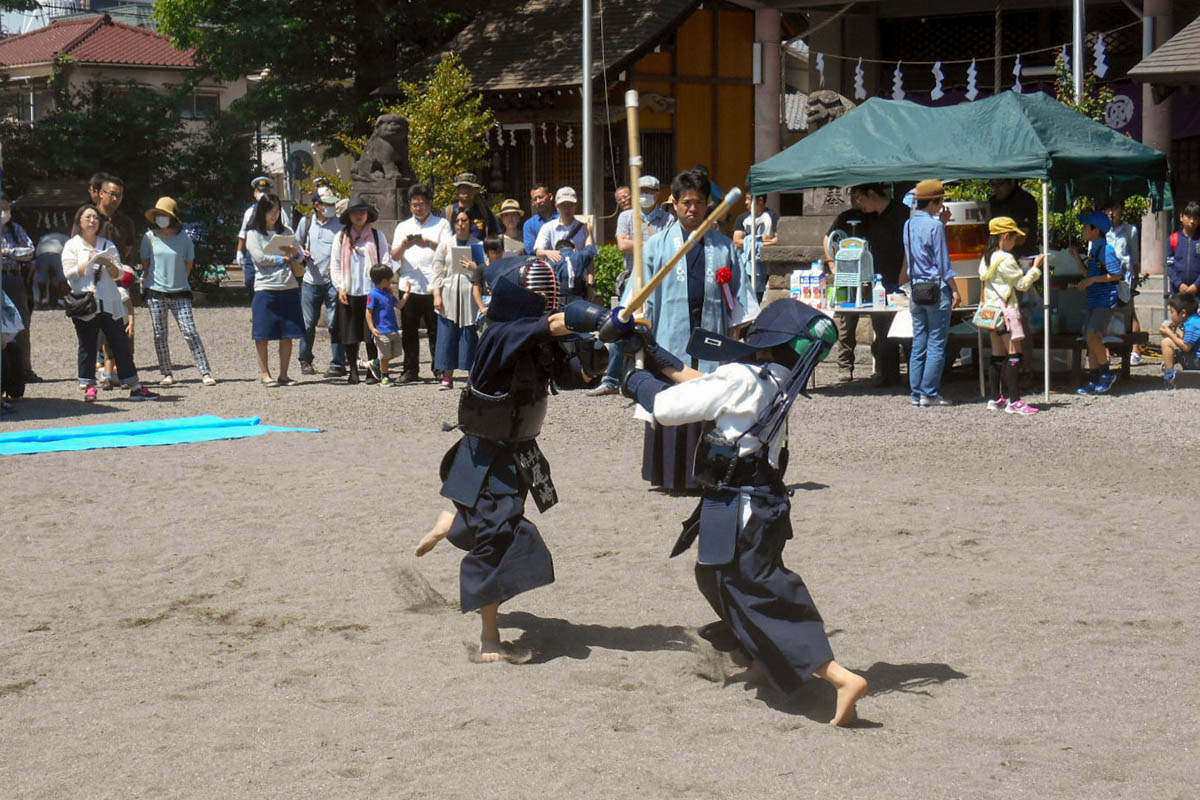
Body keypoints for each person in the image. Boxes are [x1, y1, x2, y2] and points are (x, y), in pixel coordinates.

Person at [619, 300, 867, 725]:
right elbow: (705, 384)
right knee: (715, 577)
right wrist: (653, 351)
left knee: (757, 588)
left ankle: (839, 676)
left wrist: (632, 376)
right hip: (757, 500)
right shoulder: (778, 377)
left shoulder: (744, 378)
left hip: (744, 506)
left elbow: (667, 406)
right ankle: (763, 660)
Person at [413, 258, 607, 662]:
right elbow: (553, 324)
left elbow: (569, 376)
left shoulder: (537, 339)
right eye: (539, 292)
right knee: (500, 538)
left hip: (518, 451)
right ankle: (489, 637)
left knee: (491, 527)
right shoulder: (501, 333)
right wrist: (598, 316)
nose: (547, 299)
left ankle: (454, 524)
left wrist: (600, 353)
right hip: (485, 455)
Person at [622, 168, 760, 490]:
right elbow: (638, 297)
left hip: (712, 336)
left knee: (710, 402)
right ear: (673, 203)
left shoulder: (724, 247)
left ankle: (709, 473)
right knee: (675, 401)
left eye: (699, 202)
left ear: (709, 204)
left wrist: (735, 342)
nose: (692, 209)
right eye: (686, 202)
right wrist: (638, 326)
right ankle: (672, 475)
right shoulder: (656, 246)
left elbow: (740, 298)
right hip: (671, 337)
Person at [61, 204, 158, 402]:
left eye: (95, 217)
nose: (92, 221)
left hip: (110, 301)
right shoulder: (72, 245)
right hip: (86, 301)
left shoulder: (107, 245)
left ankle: (134, 385)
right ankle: (89, 386)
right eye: (87, 217)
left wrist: (109, 264)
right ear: (79, 221)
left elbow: (120, 274)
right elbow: (69, 273)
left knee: (120, 343)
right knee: (87, 345)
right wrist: (87, 261)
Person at [588, 175, 672, 397]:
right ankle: (612, 379)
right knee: (621, 323)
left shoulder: (667, 219)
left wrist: (640, 244)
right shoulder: (626, 216)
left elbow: (668, 248)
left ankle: (660, 374)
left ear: (657, 193)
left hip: (659, 280)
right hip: (631, 278)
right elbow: (623, 245)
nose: (646, 195)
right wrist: (653, 243)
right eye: (641, 190)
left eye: (650, 191)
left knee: (658, 327)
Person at [823, 183, 908, 385]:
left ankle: (896, 374)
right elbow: (828, 239)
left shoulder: (900, 214)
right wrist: (832, 264)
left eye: (858, 197)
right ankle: (870, 372)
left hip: (893, 280)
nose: (857, 202)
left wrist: (904, 274)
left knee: (894, 328)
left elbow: (908, 247)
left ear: (871, 193)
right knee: (857, 326)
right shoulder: (854, 216)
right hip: (859, 280)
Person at [139, 197, 216, 387]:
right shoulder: (149, 238)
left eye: (164, 215)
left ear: (172, 217)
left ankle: (205, 371)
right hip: (155, 292)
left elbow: (189, 264)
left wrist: (179, 279)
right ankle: (166, 372)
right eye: (158, 215)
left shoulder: (185, 239)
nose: (161, 218)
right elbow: (146, 264)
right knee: (159, 334)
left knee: (190, 331)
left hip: (180, 291)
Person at [901, 179, 960, 408]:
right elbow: (943, 264)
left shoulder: (907, 225)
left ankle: (916, 394)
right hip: (936, 289)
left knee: (919, 342)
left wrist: (941, 223)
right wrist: (955, 290)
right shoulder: (935, 227)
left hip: (916, 288)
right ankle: (930, 393)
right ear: (935, 202)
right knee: (936, 343)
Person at [979, 217, 1044, 415]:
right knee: (1015, 354)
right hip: (1006, 311)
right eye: (1014, 237)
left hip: (990, 311)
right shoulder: (1006, 259)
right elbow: (1022, 285)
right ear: (1006, 236)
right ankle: (1014, 400)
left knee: (997, 355)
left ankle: (994, 398)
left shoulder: (986, 257)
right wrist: (1036, 268)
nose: (1015, 242)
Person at [392, 183, 450, 383]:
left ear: (430, 204)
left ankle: (439, 367)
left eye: (423, 204)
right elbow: (394, 255)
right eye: (415, 204)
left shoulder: (441, 224)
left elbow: (448, 250)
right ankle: (410, 369)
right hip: (409, 284)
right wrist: (405, 245)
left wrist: (429, 243)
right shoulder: (403, 226)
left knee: (436, 330)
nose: (419, 208)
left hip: (434, 285)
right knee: (409, 330)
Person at [245, 193, 304, 387]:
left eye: (277, 211)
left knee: (287, 333)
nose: (274, 215)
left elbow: (300, 256)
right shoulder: (253, 233)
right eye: (271, 211)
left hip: (288, 285)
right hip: (265, 287)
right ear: (262, 212)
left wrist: (295, 253)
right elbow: (259, 258)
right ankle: (265, 374)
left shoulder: (286, 230)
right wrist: (281, 258)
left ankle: (284, 374)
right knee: (262, 333)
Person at [332, 196, 391, 385]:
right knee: (350, 334)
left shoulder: (376, 236)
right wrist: (340, 286)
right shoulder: (341, 237)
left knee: (371, 334)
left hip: (371, 291)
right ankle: (353, 371)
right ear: (349, 215)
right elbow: (335, 264)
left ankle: (372, 371)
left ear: (368, 214)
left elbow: (385, 260)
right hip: (349, 291)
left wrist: (382, 284)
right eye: (355, 212)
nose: (359, 216)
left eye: (362, 212)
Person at [295, 185, 347, 377]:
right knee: (308, 323)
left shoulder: (341, 225)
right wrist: (301, 254)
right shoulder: (306, 222)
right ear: (317, 205)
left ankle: (338, 361)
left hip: (334, 282)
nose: (331, 207)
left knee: (336, 323)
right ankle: (305, 359)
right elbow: (295, 244)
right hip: (310, 281)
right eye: (327, 204)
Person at [432, 210, 487, 390]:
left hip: (469, 292)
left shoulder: (477, 245)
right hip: (449, 292)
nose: (461, 223)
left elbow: (486, 269)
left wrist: (475, 268)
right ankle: (447, 376)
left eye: (465, 220)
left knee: (469, 335)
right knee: (447, 335)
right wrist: (436, 295)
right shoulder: (446, 244)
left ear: (470, 223)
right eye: (458, 220)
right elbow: (437, 269)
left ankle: (471, 376)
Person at [1071, 211, 1123, 395]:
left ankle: (1106, 374)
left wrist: (1092, 281)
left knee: (1092, 334)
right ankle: (1094, 379)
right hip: (1095, 301)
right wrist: (1077, 257)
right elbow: (1089, 275)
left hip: (1105, 301)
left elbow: (1117, 274)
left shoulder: (1105, 250)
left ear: (1096, 230)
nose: (1083, 230)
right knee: (1091, 339)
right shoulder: (1095, 250)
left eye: (1086, 227)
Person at [0, 194, 37, 385]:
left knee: (21, 324)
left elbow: (29, 251)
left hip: (13, 278)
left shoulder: (16, 230)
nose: (3, 212)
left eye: (6, 208)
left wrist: (8, 252)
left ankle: (24, 369)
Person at [1106, 200, 1142, 364]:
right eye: (1108, 209)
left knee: (1129, 313)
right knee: (1105, 313)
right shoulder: (1100, 230)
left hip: (1124, 277)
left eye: (1115, 207)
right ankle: (1106, 350)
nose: (1112, 213)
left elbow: (1134, 256)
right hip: (1105, 277)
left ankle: (1135, 349)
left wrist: (1135, 277)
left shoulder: (1130, 230)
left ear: (1121, 210)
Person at [365, 263, 408, 387]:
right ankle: (385, 377)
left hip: (393, 329)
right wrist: (372, 327)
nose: (391, 282)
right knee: (385, 357)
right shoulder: (373, 294)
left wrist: (407, 294)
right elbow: (369, 312)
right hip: (381, 331)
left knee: (397, 353)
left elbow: (399, 305)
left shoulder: (388, 293)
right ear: (384, 280)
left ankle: (375, 363)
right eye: (390, 280)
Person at [236, 176, 282, 291]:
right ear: (255, 193)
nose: (262, 194)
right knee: (250, 281)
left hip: (272, 250)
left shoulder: (279, 212)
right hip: (253, 252)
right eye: (260, 191)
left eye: (265, 191)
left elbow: (285, 230)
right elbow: (243, 233)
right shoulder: (249, 212)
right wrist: (239, 251)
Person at [733, 194, 780, 303]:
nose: (745, 202)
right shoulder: (743, 218)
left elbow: (778, 240)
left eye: (748, 199)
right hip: (746, 265)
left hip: (765, 266)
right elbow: (736, 241)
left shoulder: (772, 217)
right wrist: (761, 241)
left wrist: (757, 243)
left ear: (760, 200)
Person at [534, 187, 592, 260]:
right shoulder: (548, 227)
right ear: (557, 206)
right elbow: (538, 250)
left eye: (570, 205)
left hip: (579, 270)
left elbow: (590, 256)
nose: (567, 209)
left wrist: (591, 271)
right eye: (563, 206)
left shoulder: (585, 228)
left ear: (576, 206)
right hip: (557, 270)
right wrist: (548, 253)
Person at [987, 179, 1040, 258]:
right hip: (998, 255)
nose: (995, 189)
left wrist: (995, 241)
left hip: (1023, 257)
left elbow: (1022, 237)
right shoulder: (993, 202)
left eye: (999, 185)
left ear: (1012, 182)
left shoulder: (1025, 200)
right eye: (992, 185)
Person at [1160, 292, 1200, 389]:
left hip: (1197, 361)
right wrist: (1176, 329)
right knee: (1171, 342)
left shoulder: (1191, 324)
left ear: (1183, 313)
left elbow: (1186, 347)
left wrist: (1169, 333)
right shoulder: (1194, 320)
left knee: (1166, 342)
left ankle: (1169, 377)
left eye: (1172, 312)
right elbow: (1187, 340)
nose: (1171, 315)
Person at [444, 173, 499, 239]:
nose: (467, 190)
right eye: (463, 187)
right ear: (458, 190)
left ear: (475, 190)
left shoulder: (485, 212)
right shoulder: (448, 213)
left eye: (470, 187)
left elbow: (495, 237)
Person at [1167, 200, 1200, 297]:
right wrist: (1179, 284)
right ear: (1181, 217)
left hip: (1197, 293)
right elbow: (1168, 265)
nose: (1192, 221)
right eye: (1189, 217)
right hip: (1178, 292)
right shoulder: (1173, 239)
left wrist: (1196, 285)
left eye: (1196, 218)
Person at [33, 231, 68, 309]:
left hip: (41, 253)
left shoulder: (45, 236)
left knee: (42, 278)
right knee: (62, 278)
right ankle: (61, 301)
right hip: (57, 252)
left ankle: (42, 300)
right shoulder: (65, 237)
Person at [522, 184, 557, 256]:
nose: (538, 201)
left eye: (540, 197)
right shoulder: (529, 225)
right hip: (540, 264)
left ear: (550, 197)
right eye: (535, 199)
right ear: (532, 203)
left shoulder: (562, 218)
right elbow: (531, 250)